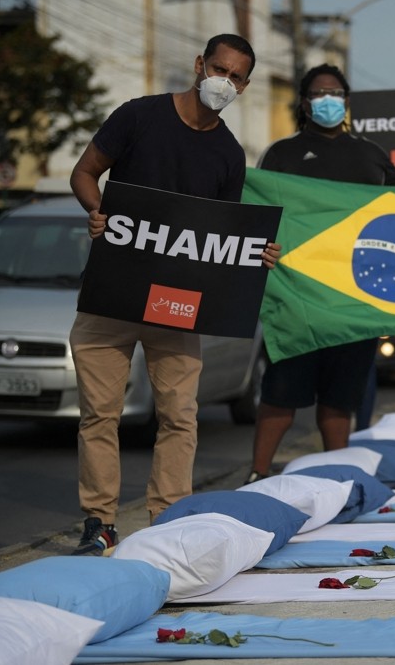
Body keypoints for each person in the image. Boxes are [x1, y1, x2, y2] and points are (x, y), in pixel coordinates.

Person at [68, 34, 279, 555]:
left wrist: (254, 253)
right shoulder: (139, 116)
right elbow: (84, 172)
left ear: (246, 86)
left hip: (175, 306)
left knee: (180, 416)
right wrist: (98, 212)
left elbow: (219, 238)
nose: (223, 82)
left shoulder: (229, 153)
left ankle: (168, 519)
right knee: (100, 414)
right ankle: (100, 522)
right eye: (218, 69)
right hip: (112, 294)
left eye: (235, 76)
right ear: (198, 64)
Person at [245, 64, 395, 484]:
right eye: (320, 94)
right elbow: (258, 213)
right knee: (281, 395)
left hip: (354, 298)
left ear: (347, 101)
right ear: (304, 103)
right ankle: (257, 474)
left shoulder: (371, 155)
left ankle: (338, 477)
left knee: (340, 401)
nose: (328, 100)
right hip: (296, 298)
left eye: (336, 93)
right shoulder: (282, 153)